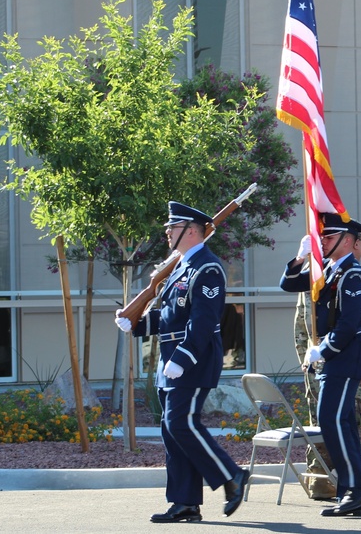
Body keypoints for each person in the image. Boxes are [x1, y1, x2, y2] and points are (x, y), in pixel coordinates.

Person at [114, 201, 249, 524]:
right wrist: (137, 323)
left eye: (172, 228)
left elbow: (203, 322)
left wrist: (183, 359)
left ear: (190, 231)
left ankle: (232, 476)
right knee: (170, 431)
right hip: (170, 362)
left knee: (181, 423)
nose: (166, 233)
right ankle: (185, 501)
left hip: (193, 361)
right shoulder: (181, 268)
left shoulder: (207, 268)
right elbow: (171, 316)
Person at [280, 213, 361, 516]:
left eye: (329, 238)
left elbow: (348, 324)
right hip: (334, 357)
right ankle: (353, 490)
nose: (324, 242)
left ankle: (355, 489)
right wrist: (300, 257)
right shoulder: (327, 271)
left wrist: (323, 350)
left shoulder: (353, 275)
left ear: (347, 241)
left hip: (345, 356)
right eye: (323, 237)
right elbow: (288, 283)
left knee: (331, 420)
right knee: (341, 423)